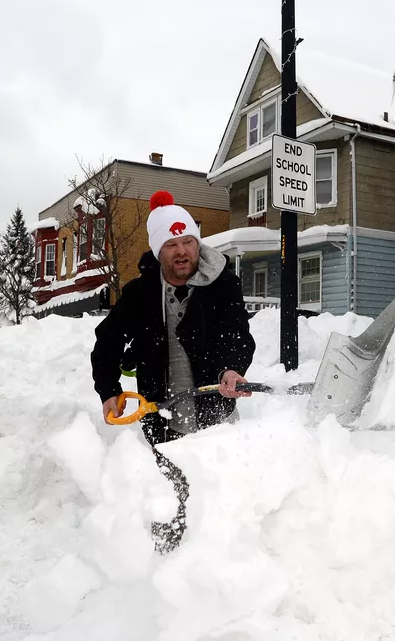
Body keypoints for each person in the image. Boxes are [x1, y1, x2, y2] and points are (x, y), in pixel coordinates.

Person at [90, 190, 255, 553]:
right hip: (161, 414)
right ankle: (166, 562)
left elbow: (239, 334)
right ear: (157, 250)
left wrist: (233, 368)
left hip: (215, 408)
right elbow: (107, 342)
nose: (182, 251)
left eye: (188, 241)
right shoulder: (139, 293)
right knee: (168, 493)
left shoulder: (224, 284)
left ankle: (221, 560)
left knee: (218, 493)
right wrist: (109, 390)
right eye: (171, 244)